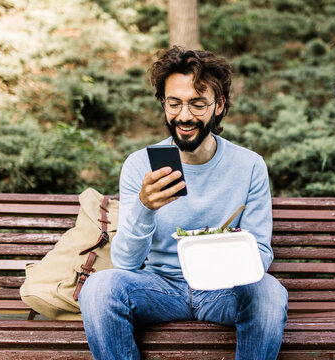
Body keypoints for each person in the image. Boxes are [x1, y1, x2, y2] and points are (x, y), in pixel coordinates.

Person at [79, 46, 288, 360]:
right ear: (164, 103)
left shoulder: (249, 166)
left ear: (219, 106)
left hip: (223, 290)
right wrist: (144, 207)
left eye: (198, 103)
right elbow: (125, 263)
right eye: (174, 103)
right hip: (159, 287)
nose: (184, 116)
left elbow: (260, 254)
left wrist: (225, 253)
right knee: (98, 288)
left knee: (271, 291)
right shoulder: (140, 165)